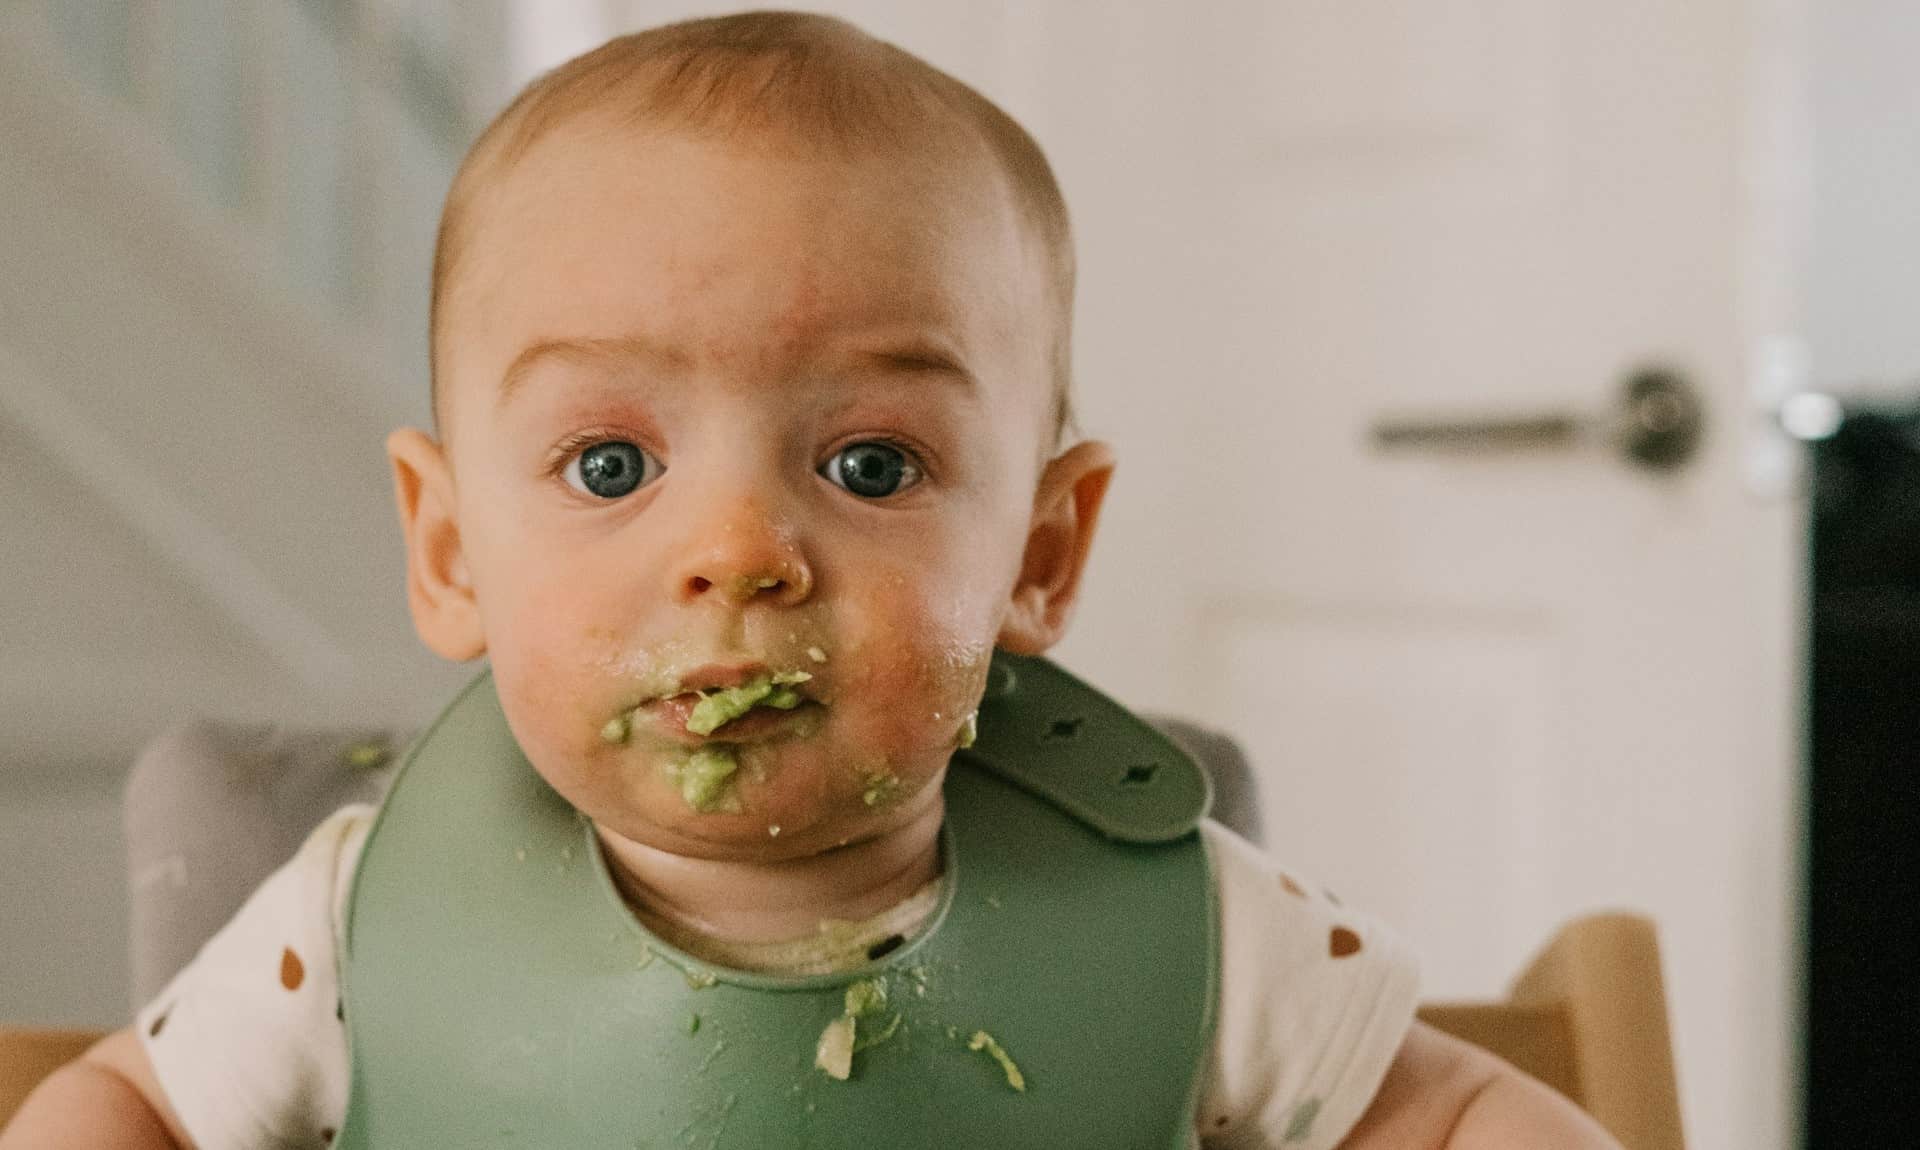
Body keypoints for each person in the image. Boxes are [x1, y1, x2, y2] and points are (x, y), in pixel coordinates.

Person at [1, 12, 1620, 1149]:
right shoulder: (361, 918)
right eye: (612, 465)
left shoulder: (1191, 925)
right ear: (447, 551)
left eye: (870, 466)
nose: (736, 553)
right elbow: (134, 1104)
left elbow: (1456, 1108)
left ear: (1040, 556)